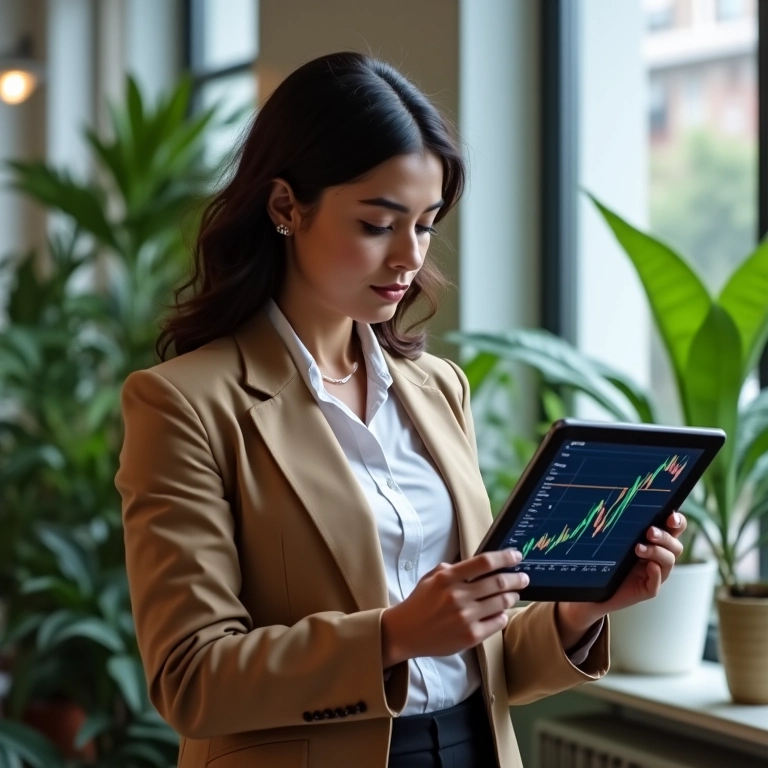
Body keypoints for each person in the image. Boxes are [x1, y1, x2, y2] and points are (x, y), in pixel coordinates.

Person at [115, 51, 687, 768]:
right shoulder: (184, 404)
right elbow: (191, 680)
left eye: (424, 224)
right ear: (286, 207)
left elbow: (485, 656)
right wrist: (391, 635)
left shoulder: (437, 387)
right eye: (377, 224)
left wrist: (583, 609)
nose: (407, 259)